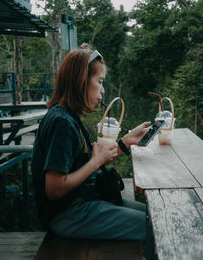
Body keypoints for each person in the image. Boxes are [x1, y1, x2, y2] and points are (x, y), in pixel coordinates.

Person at [31, 48, 150, 241]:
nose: (103, 90)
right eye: (100, 82)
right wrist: (96, 162)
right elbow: (54, 189)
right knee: (154, 227)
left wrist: (125, 143)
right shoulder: (62, 123)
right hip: (68, 214)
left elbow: (83, 166)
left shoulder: (67, 116)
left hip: (83, 203)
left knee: (154, 215)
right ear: (81, 81)